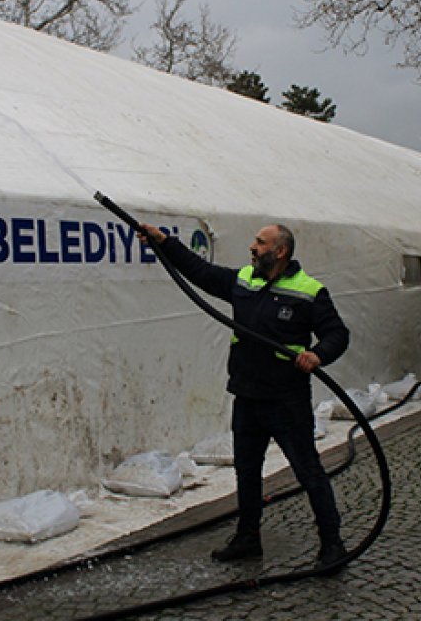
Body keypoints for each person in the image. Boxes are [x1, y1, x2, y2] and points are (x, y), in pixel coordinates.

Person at [137, 222, 350, 571]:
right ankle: (248, 538)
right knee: (247, 471)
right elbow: (199, 271)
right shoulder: (244, 281)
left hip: (287, 400)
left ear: (280, 251)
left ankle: (332, 544)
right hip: (248, 397)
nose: (252, 247)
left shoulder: (309, 291)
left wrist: (318, 354)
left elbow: (337, 334)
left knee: (308, 471)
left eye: (260, 242)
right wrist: (164, 242)